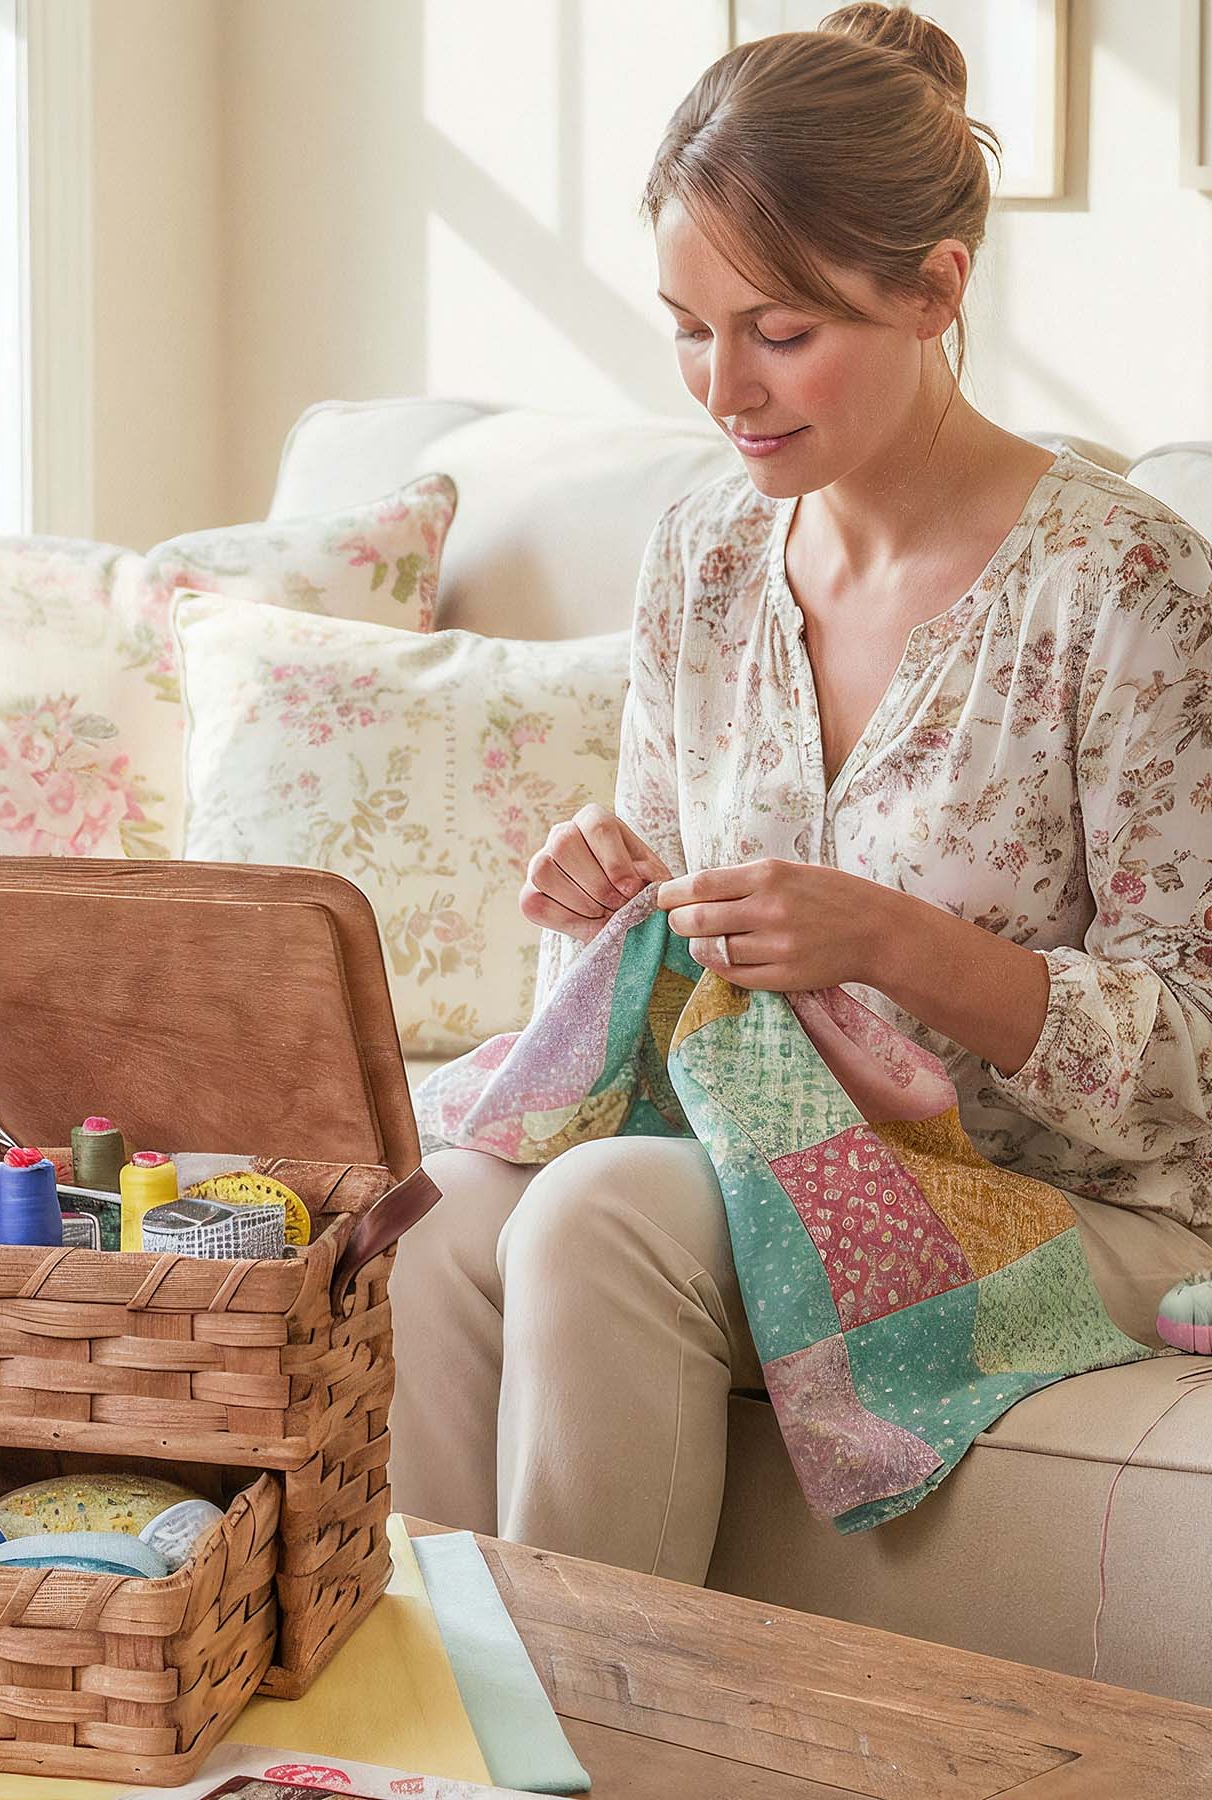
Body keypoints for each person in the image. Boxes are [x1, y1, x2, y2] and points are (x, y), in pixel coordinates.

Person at [387, 2, 1212, 1584]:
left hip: (1084, 1205)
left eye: (778, 331)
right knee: (438, 1205)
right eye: (687, 328)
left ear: (935, 291)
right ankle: (440, 1696)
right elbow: (671, 989)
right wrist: (601, 914)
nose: (723, 385)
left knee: (603, 1215)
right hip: (769, 1144)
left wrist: (896, 942)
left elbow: (1198, 1061)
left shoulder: (1124, 586)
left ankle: (597, 1709)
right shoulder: (702, 554)